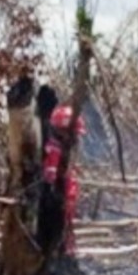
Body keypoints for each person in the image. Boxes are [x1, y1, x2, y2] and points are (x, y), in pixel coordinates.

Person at [43, 104, 83, 255]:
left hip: (64, 204)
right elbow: (50, 178)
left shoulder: (64, 152)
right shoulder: (52, 150)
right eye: (72, 134)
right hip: (54, 206)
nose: (75, 138)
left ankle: (64, 253)